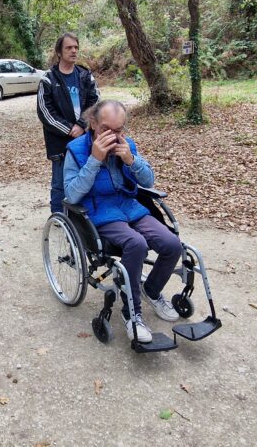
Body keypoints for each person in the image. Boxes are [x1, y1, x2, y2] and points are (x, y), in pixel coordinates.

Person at [63, 100, 182, 343]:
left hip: (129, 207)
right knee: (136, 244)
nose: (113, 136)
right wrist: (94, 160)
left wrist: (131, 160)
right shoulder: (75, 150)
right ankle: (131, 313)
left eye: (118, 130)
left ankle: (151, 290)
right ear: (93, 123)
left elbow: (148, 181)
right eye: (106, 129)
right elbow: (72, 195)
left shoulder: (127, 145)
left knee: (172, 244)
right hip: (100, 211)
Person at [38, 32, 100, 214]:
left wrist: (82, 124)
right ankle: (58, 217)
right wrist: (69, 129)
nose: (73, 51)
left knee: (85, 177)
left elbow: (95, 101)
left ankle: (80, 216)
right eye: (69, 47)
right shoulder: (48, 78)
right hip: (59, 142)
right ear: (59, 51)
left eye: (76, 47)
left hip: (85, 137)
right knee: (59, 182)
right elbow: (45, 111)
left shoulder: (85, 75)